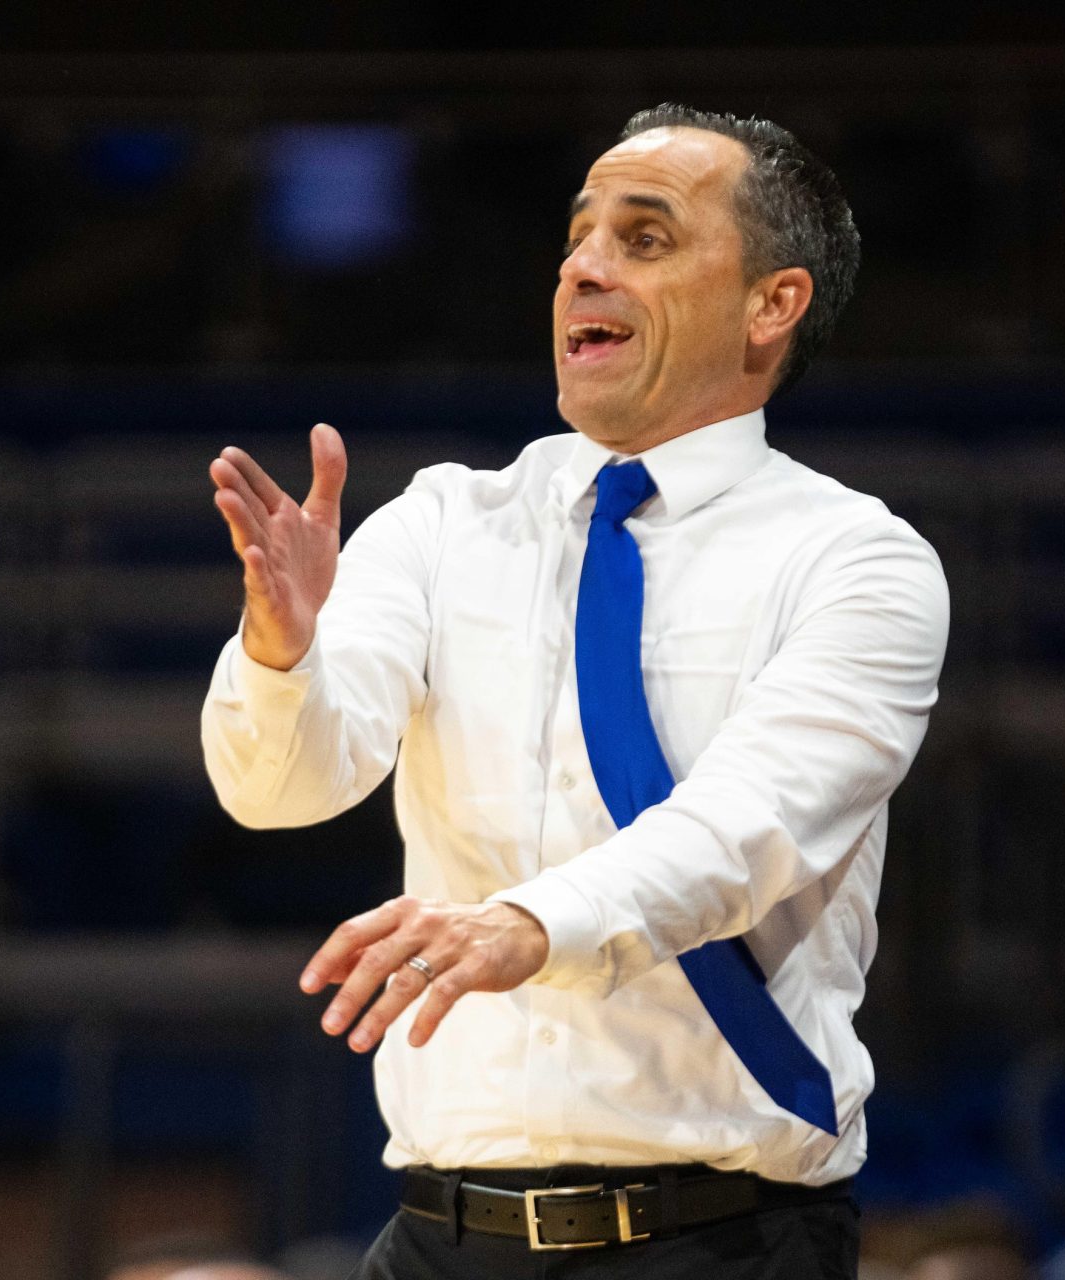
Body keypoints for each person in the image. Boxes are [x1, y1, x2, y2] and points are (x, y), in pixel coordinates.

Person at [201, 104, 949, 1276]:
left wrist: (527, 924)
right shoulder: (447, 519)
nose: (585, 266)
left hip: (723, 1240)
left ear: (772, 303)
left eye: (645, 238)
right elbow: (278, 788)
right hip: (440, 1235)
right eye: (578, 236)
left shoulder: (859, 561)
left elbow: (745, 829)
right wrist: (279, 649)